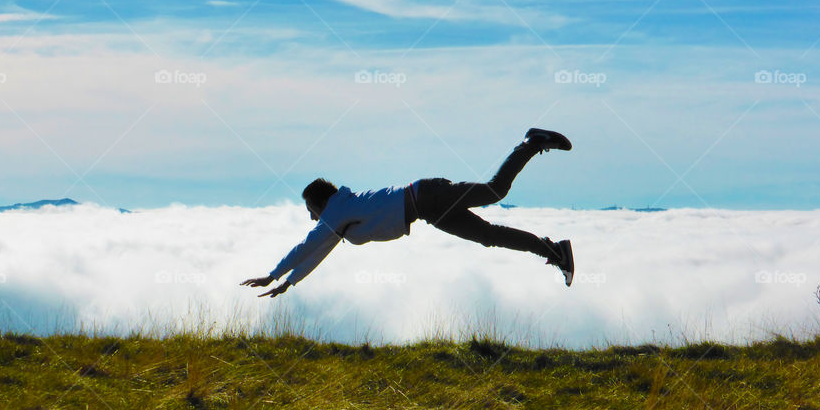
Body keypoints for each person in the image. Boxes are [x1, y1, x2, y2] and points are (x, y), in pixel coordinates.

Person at [241, 128, 575, 298]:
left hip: (427, 196)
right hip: (428, 210)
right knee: (488, 236)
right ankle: (554, 250)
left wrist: (274, 276)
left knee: (494, 191)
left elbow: (307, 246)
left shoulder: (335, 212)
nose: (312, 218)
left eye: (311, 211)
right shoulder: (338, 218)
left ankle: (531, 142)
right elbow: (319, 251)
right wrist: (290, 282)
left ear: (320, 203)